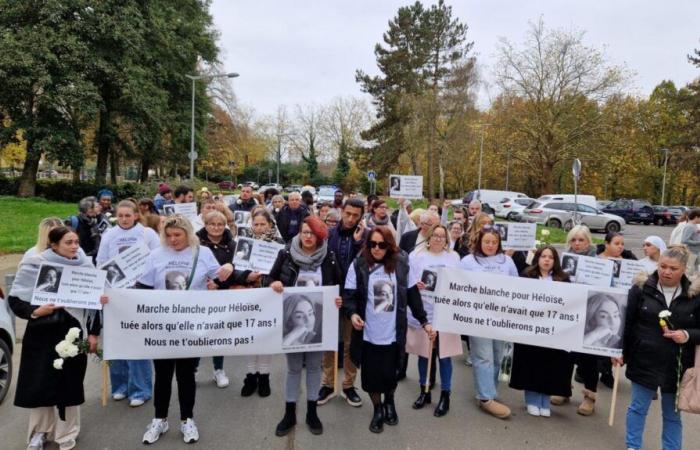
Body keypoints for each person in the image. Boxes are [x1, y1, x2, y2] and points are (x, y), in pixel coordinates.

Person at [102, 215, 234, 445]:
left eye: (178, 235)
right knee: (162, 376)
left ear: (187, 234)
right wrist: (115, 299)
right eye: (169, 235)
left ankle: (187, 419)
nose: (173, 240)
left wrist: (229, 268)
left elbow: (220, 279)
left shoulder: (201, 253)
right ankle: (159, 419)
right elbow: (142, 288)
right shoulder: (156, 255)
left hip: (191, 327)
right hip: (162, 327)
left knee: (186, 376)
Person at [8, 227, 101, 450]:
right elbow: (15, 300)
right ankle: (40, 432)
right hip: (41, 332)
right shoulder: (34, 264)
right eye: (68, 242)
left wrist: (94, 333)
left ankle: (67, 433)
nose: (74, 247)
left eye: (76, 242)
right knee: (40, 382)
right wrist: (36, 311)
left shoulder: (86, 266)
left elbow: (95, 306)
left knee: (69, 384)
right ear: (54, 244)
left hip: (74, 332)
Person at [343, 226, 434, 433]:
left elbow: (412, 294)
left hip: (393, 333)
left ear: (390, 246)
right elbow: (349, 295)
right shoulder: (358, 265)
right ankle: (377, 409)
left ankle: (390, 402)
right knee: (372, 377)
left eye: (381, 245)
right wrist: (352, 314)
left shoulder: (401, 264)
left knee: (391, 374)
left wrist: (424, 321)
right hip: (368, 334)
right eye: (372, 244)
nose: (376, 249)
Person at [617, 245, 700, 450]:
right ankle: (633, 445)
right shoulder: (641, 287)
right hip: (644, 359)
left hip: (677, 364)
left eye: (673, 268)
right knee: (638, 408)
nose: (666, 272)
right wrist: (621, 352)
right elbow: (628, 323)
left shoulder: (694, 294)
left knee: (672, 415)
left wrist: (687, 335)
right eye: (663, 266)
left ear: (683, 270)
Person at [267, 216, 342, 437]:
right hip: (292, 323)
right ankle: (289, 413)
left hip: (318, 324)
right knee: (292, 369)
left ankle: (311, 412)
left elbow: (338, 284)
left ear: (320, 236)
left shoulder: (328, 256)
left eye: (313, 233)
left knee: (314, 367)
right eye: (304, 232)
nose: (308, 237)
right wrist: (274, 283)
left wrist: (338, 299)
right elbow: (269, 278)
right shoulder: (286, 254)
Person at [96, 200, 160, 408]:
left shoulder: (147, 234)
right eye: (120, 215)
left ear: (135, 215)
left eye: (128, 215)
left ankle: (140, 389)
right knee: (117, 340)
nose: (124, 219)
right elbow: (101, 262)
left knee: (137, 340)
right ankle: (120, 386)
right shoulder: (109, 235)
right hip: (116, 293)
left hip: (139, 293)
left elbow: (158, 259)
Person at [458, 227, 518, 419]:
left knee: (498, 356)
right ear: (479, 242)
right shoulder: (467, 262)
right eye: (487, 242)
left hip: (502, 319)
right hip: (478, 318)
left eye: (494, 242)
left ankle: (490, 391)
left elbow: (518, 287)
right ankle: (485, 398)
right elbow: (456, 285)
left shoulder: (507, 261)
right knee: (483, 357)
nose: (490, 245)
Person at [509, 246, 573, 417]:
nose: (546, 260)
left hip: (553, 331)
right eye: (543, 256)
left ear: (555, 261)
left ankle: (545, 400)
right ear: (537, 258)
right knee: (531, 364)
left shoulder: (563, 279)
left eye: (550, 257)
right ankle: (531, 400)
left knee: (549, 366)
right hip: (531, 329)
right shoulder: (527, 275)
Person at [407, 224, 462, 417]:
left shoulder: (453, 258)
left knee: (444, 356)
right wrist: (416, 285)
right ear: (428, 237)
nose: (438, 239)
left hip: (445, 313)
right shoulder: (416, 255)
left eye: (442, 237)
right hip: (425, 311)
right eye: (435, 236)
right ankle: (425, 390)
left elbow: (460, 282)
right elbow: (409, 280)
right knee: (424, 354)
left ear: (447, 240)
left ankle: (445, 395)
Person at [318, 198, 367, 407]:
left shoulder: (366, 237)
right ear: (342, 211)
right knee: (329, 342)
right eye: (348, 213)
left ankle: (348, 385)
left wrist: (357, 243)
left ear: (361, 217)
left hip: (353, 299)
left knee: (350, 344)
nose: (350, 218)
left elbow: (363, 266)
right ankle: (327, 384)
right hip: (330, 295)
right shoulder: (330, 235)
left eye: (356, 215)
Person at [235, 209, 285, 398]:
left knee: (265, 337)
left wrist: (273, 279)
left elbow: (284, 271)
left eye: (263, 224)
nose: (259, 227)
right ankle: (250, 376)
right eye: (255, 224)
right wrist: (247, 276)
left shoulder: (279, 245)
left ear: (270, 225)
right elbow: (236, 270)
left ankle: (264, 376)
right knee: (249, 337)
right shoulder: (244, 244)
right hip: (249, 295)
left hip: (270, 296)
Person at [196, 211, 244, 390]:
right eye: (211, 224)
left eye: (219, 224)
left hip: (223, 295)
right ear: (205, 225)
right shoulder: (195, 243)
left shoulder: (233, 245)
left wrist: (230, 269)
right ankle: (193, 368)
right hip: (201, 295)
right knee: (198, 334)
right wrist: (206, 283)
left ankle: (218, 369)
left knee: (219, 335)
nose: (215, 227)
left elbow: (239, 269)